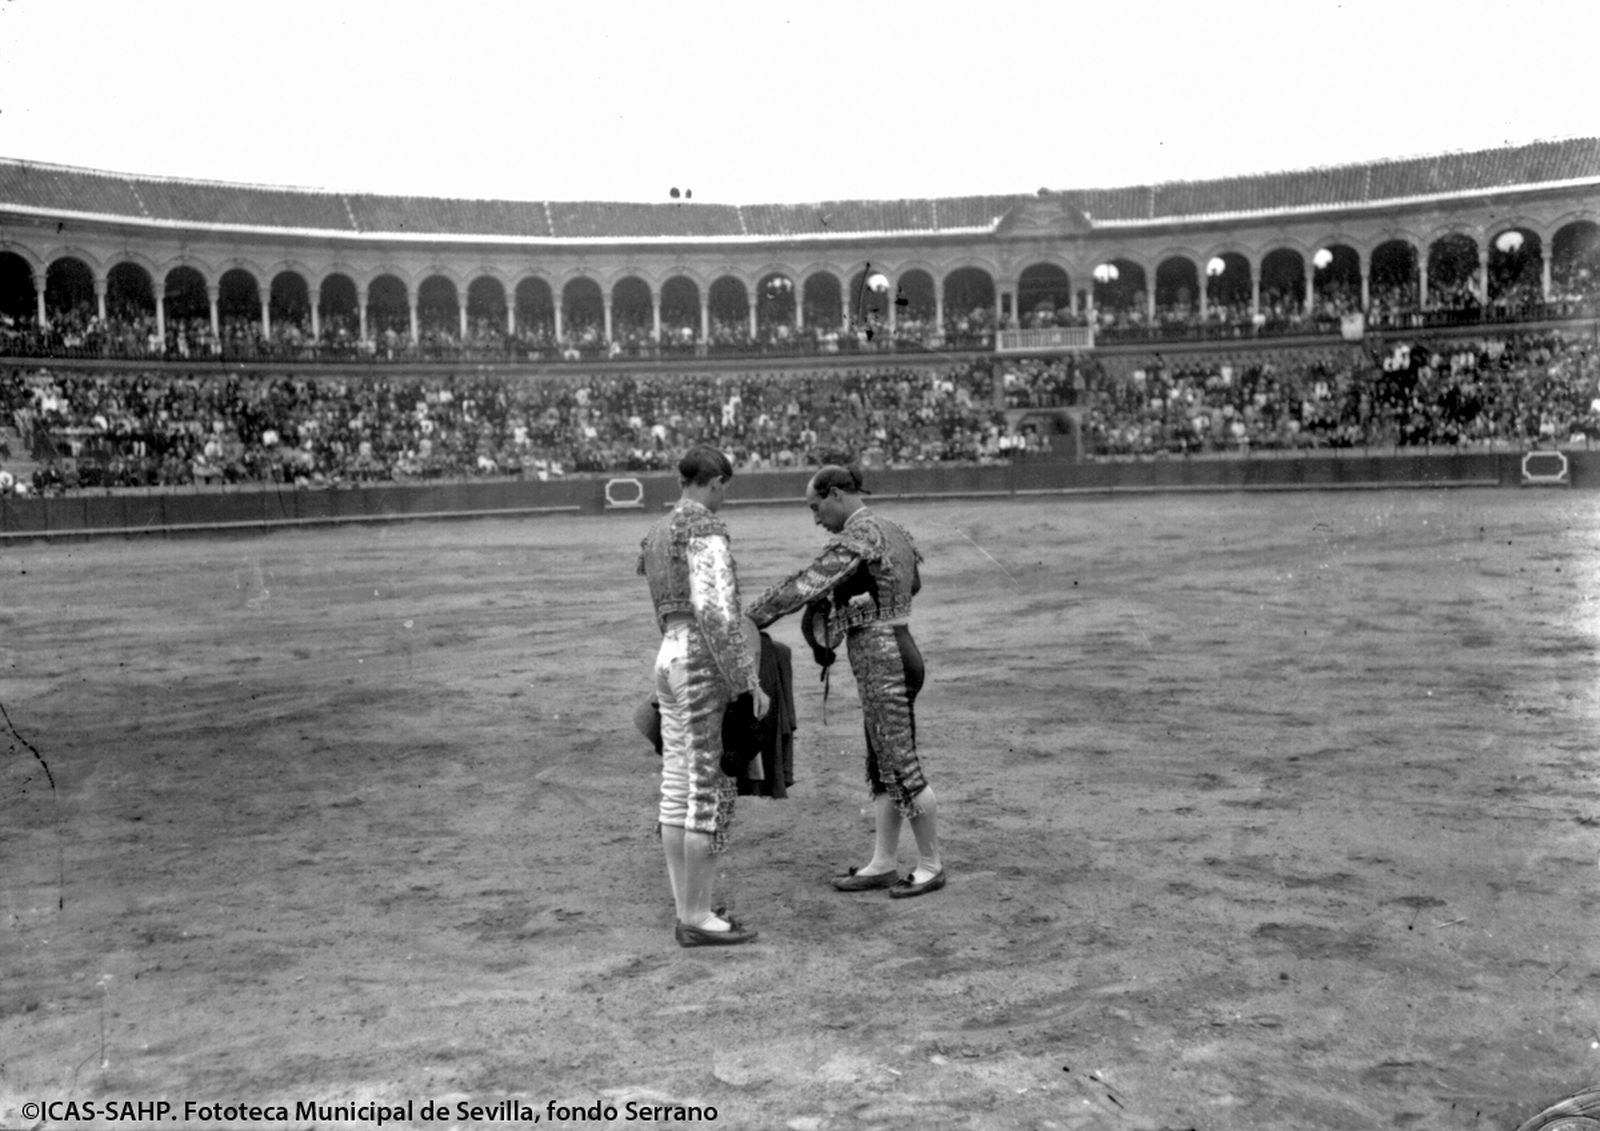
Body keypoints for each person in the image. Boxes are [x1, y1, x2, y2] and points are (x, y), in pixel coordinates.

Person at [746, 463, 945, 898]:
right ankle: (884, 863)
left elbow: (804, 586)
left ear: (836, 494)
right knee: (883, 762)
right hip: (898, 646)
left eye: (817, 507)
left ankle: (930, 865)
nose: (816, 518)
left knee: (898, 761)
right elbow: (911, 586)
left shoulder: (858, 537)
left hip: (885, 658)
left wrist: (750, 618)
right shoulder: (892, 529)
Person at [637, 445, 768, 946]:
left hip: (667, 653)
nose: (722, 499)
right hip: (700, 659)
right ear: (714, 482)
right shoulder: (704, 528)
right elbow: (715, 612)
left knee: (677, 786)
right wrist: (745, 680)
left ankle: (691, 908)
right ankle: (696, 917)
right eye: (723, 489)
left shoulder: (656, 533)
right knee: (706, 790)